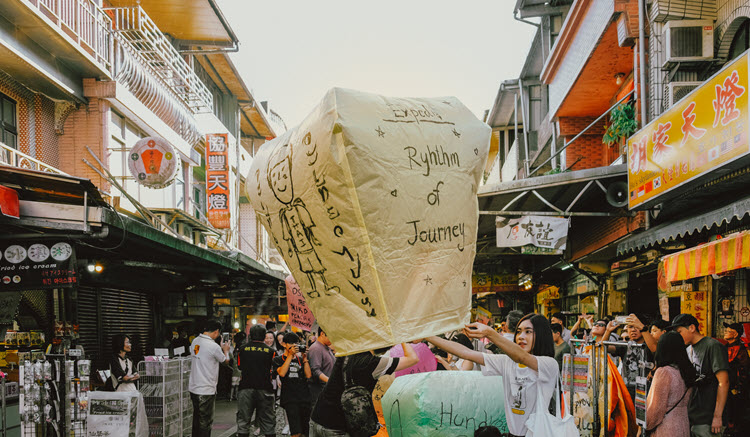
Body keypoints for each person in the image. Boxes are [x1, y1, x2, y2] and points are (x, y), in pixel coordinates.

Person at [428, 313, 558, 437]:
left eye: (528, 332)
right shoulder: (507, 362)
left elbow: (522, 357)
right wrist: (427, 336)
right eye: (518, 331)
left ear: (541, 335)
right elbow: (465, 352)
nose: (521, 336)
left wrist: (489, 333)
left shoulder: (549, 364)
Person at [309, 343, 419, 436]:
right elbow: (413, 358)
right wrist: (403, 339)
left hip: (317, 417)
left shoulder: (348, 350)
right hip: (338, 426)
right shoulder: (375, 363)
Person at [669, 313, 729, 436]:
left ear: (692, 328)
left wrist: (717, 416)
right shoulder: (687, 349)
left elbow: (724, 382)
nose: (678, 337)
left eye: (680, 332)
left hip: (709, 417)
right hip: (692, 414)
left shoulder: (713, 346)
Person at [645, 331, 696, 437]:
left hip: (665, 427)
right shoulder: (687, 370)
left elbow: (656, 409)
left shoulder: (663, 372)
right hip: (683, 424)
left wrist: (645, 426)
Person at [189, 320, 231, 437]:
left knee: (197, 419)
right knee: (205, 422)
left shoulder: (195, 341)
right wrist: (226, 350)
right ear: (217, 331)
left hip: (193, 387)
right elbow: (225, 361)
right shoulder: (213, 346)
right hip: (206, 389)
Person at [236, 324, 277, 437]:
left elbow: (239, 366)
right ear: (264, 336)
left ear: (250, 335)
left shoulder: (242, 349)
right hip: (265, 388)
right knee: (268, 420)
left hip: (245, 388)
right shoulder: (271, 351)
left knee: (244, 421)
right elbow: (275, 370)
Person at [274, 332, 313, 437]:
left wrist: (305, 359)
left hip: (304, 398)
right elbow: (282, 373)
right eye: (291, 343)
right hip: (290, 399)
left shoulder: (300, 359)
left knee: (306, 431)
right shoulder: (278, 359)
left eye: (296, 343)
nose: (294, 346)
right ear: (284, 344)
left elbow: (308, 375)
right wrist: (290, 355)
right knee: (296, 432)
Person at [723, 322, 749, 436]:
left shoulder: (741, 350)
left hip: (736, 388)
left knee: (736, 411)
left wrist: (738, 387)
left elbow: (744, 371)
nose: (725, 332)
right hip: (725, 385)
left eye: (728, 331)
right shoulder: (723, 347)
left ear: (735, 334)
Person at [308, 327, 335, 407]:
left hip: (327, 389)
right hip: (319, 391)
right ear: (322, 334)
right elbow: (315, 370)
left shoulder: (327, 348)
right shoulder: (316, 348)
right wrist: (330, 381)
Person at [230, 332, 246, 401]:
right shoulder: (242, 348)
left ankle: (233, 396)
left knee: (234, 385)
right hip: (238, 370)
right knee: (236, 385)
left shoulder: (235, 348)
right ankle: (235, 396)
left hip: (236, 370)